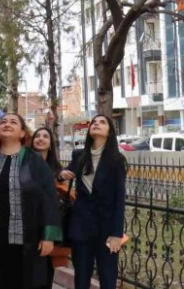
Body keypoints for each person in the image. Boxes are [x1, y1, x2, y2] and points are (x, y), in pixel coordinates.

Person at [0, 113, 62, 289]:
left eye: (13, 122)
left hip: (25, 239)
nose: (7, 124)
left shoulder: (35, 161)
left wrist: (48, 236)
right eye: (4, 122)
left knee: (23, 282)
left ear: (23, 133)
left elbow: (49, 199)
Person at [59, 115, 127, 289]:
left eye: (102, 122)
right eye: (94, 122)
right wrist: (61, 175)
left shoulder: (116, 160)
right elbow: (66, 174)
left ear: (109, 131)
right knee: (81, 278)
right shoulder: (79, 155)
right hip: (81, 226)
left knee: (107, 277)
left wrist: (116, 234)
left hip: (106, 229)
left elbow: (119, 198)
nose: (96, 124)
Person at [30, 127, 67, 289]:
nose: (41, 138)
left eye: (45, 136)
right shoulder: (24, 164)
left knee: (44, 275)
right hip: (27, 226)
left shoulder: (58, 171)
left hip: (48, 227)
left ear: (50, 144)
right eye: (37, 136)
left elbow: (65, 195)